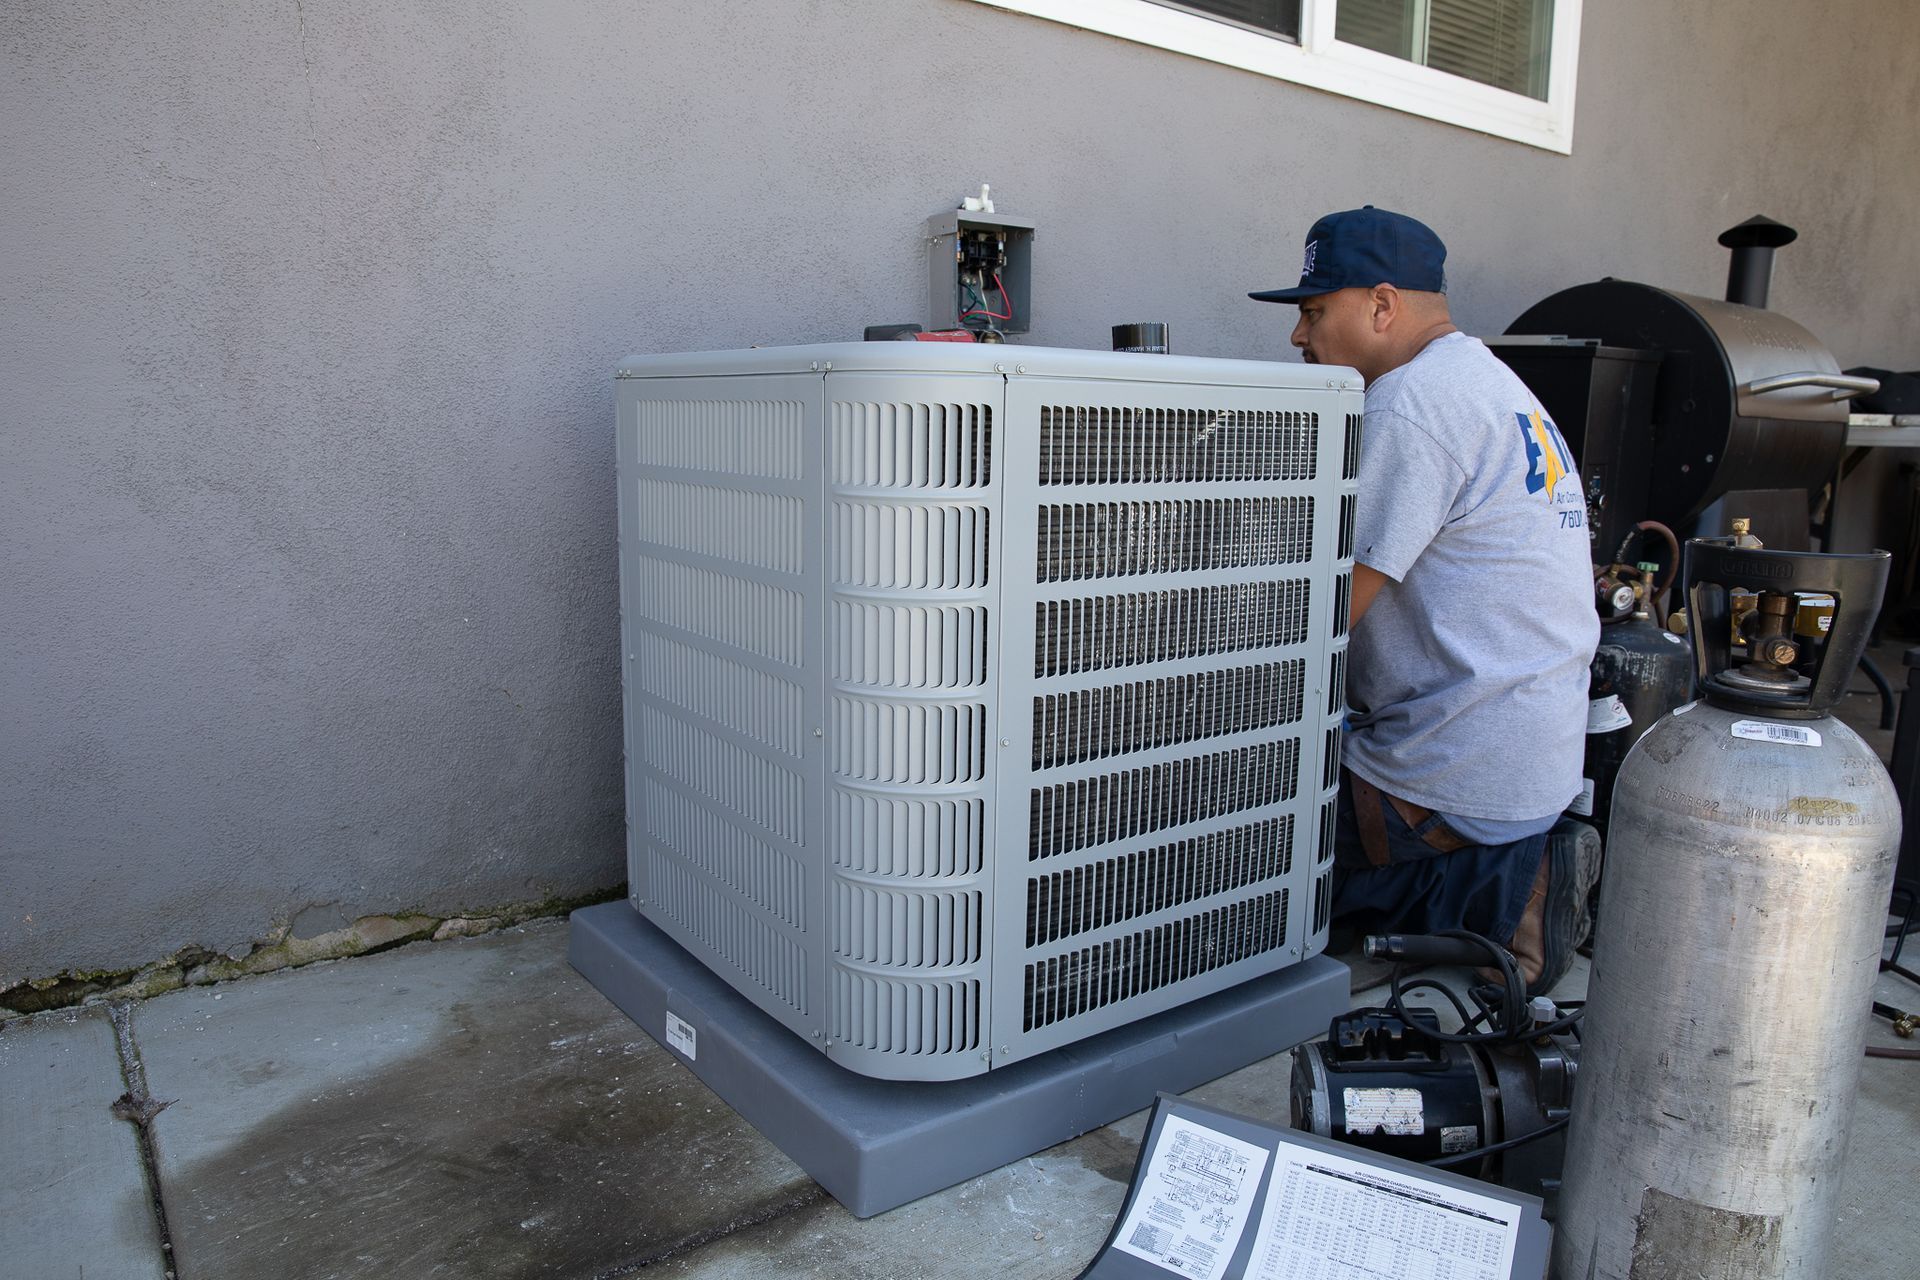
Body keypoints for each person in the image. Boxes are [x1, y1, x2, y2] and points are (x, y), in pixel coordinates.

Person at [1250, 206, 1601, 996]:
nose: (1298, 338)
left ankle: (1492, 910)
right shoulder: (1489, 383)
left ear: (1381, 305)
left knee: (1202, 835)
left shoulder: (1409, 405)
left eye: (1313, 312)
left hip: (1448, 781)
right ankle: (1515, 874)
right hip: (1528, 760)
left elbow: (1313, 625)